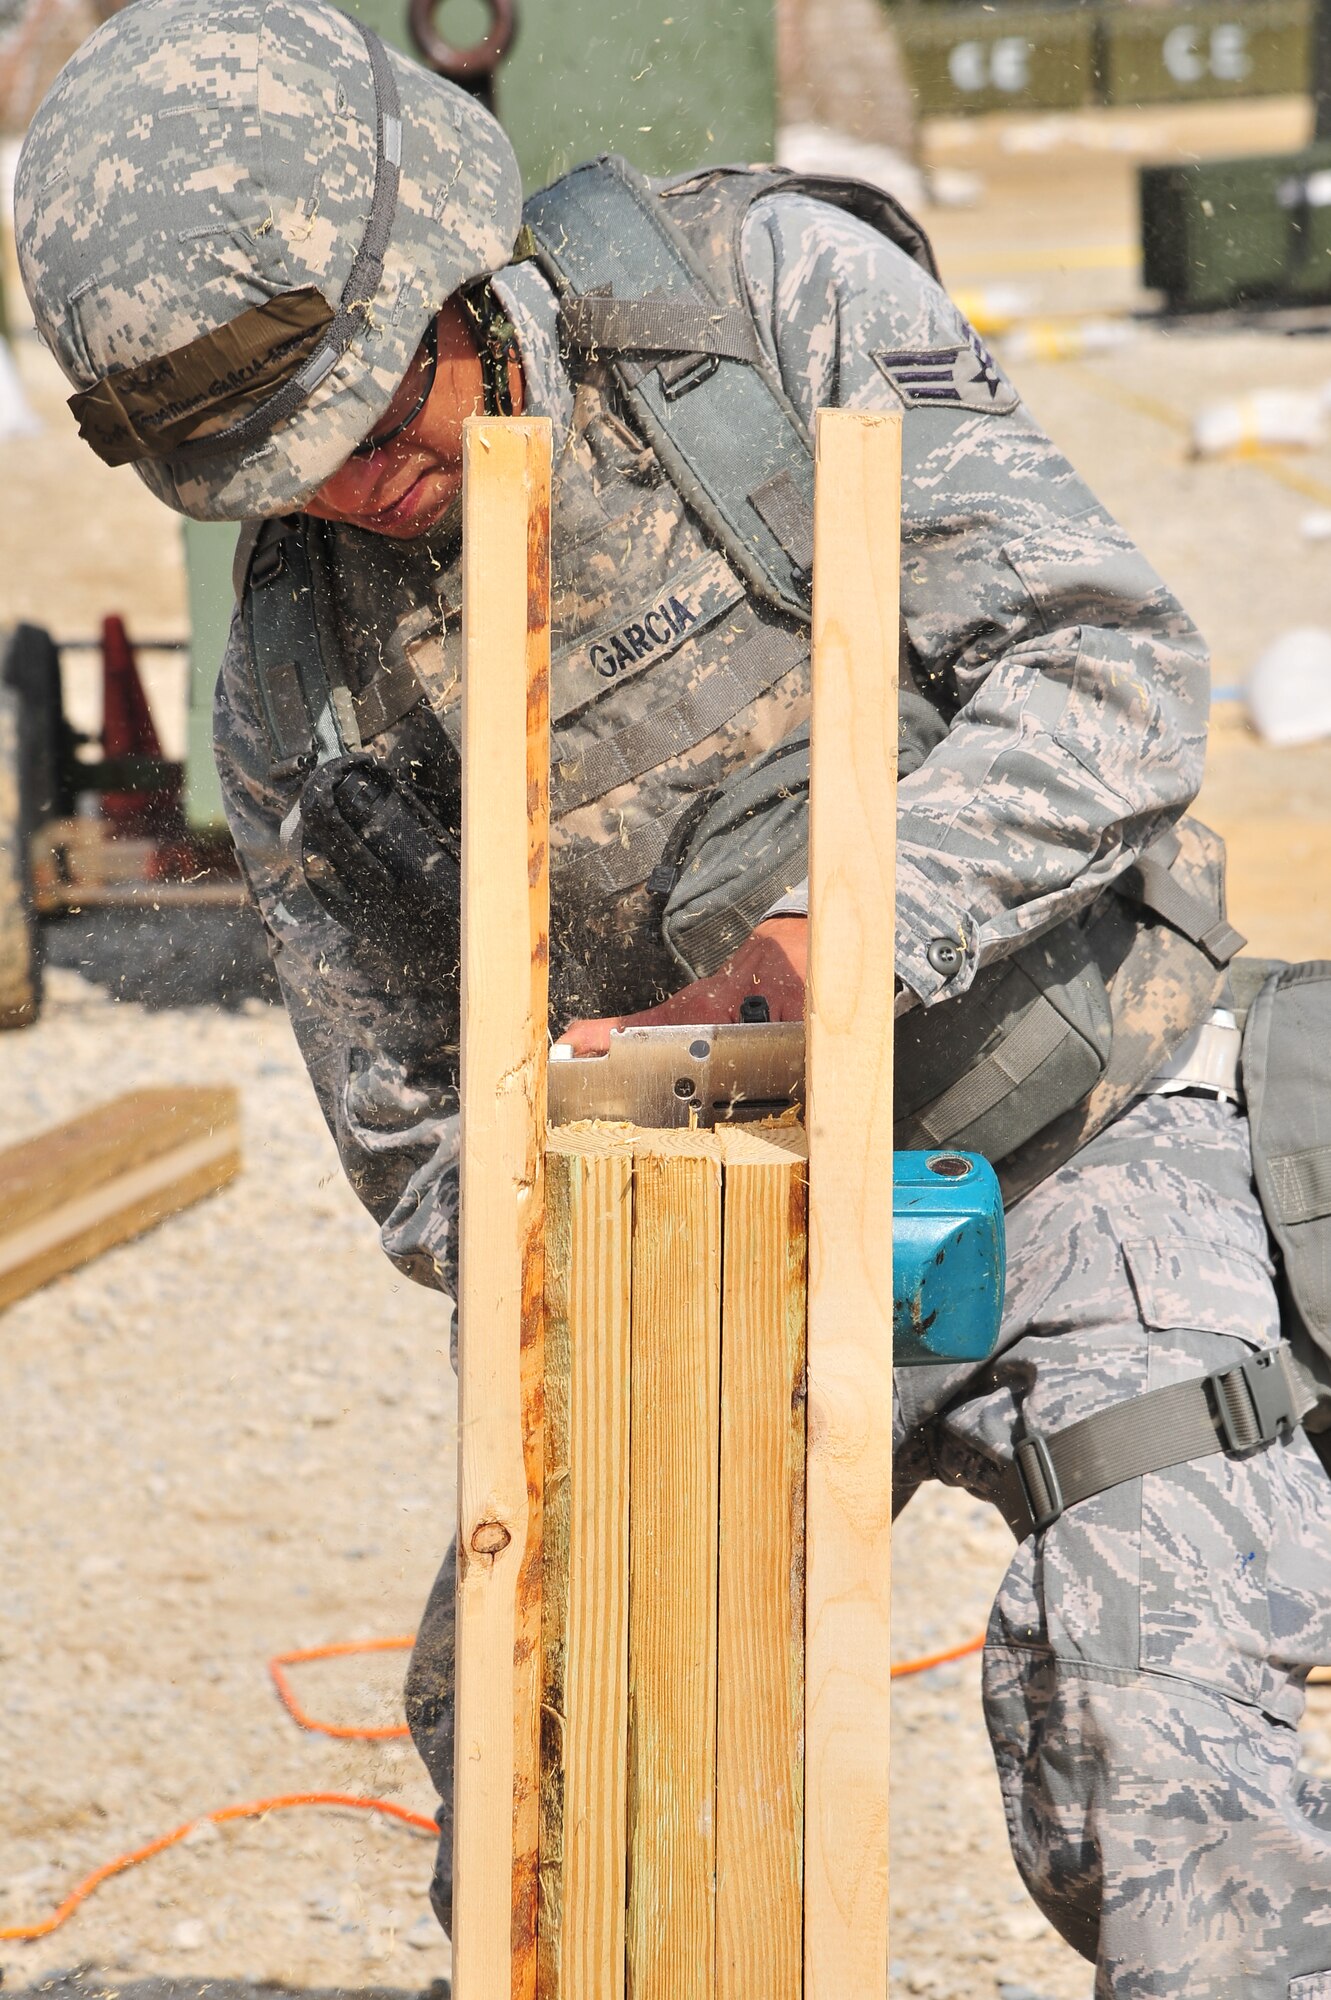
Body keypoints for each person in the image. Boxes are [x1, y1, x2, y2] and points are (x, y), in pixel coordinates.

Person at [17, 0, 1331, 1987]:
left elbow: (1113, 669)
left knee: (1162, 1750)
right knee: (556, 1763)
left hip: (1074, 1124)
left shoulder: (764, 307)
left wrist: (836, 945)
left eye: (376, 416)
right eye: (288, 469)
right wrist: (624, 1178)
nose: (358, 486)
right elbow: (412, 1136)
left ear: (443, 267)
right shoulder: (300, 680)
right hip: (705, 1244)